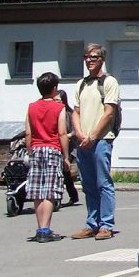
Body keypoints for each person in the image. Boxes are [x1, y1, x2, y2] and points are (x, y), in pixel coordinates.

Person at [70, 43, 120, 240]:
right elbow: (75, 111)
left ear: (102, 59)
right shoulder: (81, 84)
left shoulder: (109, 82)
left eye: (94, 57)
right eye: (87, 57)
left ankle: (106, 224)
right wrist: (80, 134)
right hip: (83, 142)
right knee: (88, 183)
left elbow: (109, 113)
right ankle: (92, 223)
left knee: (103, 182)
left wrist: (92, 136)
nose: (89, 60)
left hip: (101, 141)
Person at [24, 72, 69, 242]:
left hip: (36, 149)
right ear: (54, 88)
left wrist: (30, 150)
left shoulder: (31, 107)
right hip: (53, 149)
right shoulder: (59, 108)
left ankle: (39, 227)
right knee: (49, 191)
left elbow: (28, 133)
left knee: (37, 190)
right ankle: (45, 229)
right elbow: (62, 132)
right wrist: (66, 156)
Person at [56, 89, 79, 205]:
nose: (57, 102)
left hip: (69, 146)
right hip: (57, 145)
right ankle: (73, 195)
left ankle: (58, 197)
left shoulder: (69, 113)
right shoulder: (54, 112)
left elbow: (75, 130)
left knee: (62, 170)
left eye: (59, 100)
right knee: (65, 172)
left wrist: (68, 135)